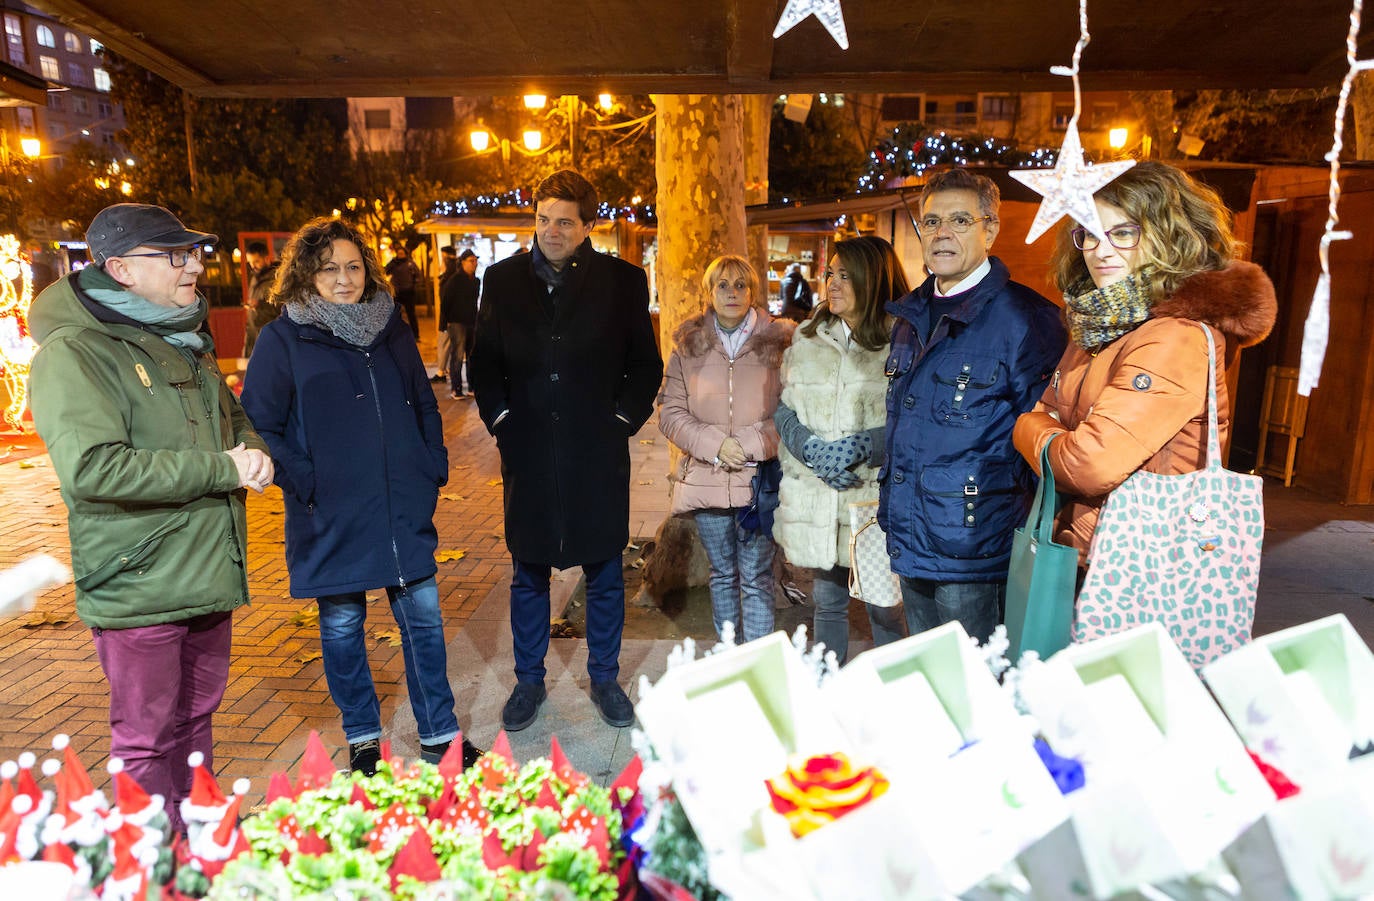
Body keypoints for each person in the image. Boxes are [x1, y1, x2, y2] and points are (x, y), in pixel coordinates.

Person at [27, 203, 273, 834]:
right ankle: (147, 858)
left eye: (192, 253)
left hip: (205, 566)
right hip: (137, 578)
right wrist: (226, 468)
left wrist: (255, 451)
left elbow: (230, 416)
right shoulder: (76, 351)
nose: (192, 265)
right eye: (173, 255)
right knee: (145, 737)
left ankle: (199, 841)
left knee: (195, 720)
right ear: (119, 269)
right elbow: (95, 470)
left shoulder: (179, 334)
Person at [240, 217, 480, 775]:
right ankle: (364, 738)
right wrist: (305, 480)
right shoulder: (284, 336)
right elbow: (260, 425)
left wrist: (431, 464)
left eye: (352, 267)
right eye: (329, 270)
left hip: (400, 504)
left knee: (422, 623)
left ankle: (441, 736)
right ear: (307, 273)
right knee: (343, 627)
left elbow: (424, 401)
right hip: (330, 510)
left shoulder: (390, 326)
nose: (344, 279)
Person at [469, 169, 663, 731]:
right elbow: (485, 363)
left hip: (595, 452)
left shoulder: (623, 282)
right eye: (542, 219)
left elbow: (643, 363)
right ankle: (528, 680)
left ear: (587, 226)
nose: (550, 231)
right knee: (528, 569)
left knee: (604, 569)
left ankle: (605, 677)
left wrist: (622, 420)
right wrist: (502, 419)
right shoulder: (501, 280)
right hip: (527, 449)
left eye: (564, 222)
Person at [1013, 161, 1277, 570]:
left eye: (1122, 233)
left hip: (1137, 565)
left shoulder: (1174, 336)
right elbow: (1052, 418)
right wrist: (1049, 428)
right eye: (1090, 234)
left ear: (1171, 236)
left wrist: (1026, 429)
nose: (1101, 250)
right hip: (1083, 549)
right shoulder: (1098, 326)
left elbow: (1087, 464)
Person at [880, 168, 1067, 644]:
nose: (942, 233)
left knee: (977, 688)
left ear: (991, 229)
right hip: (910, 536)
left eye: (960, 221)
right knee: (930, 679)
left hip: (975, 550)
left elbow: (1042, 435)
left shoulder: (1026, 320)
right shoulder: (908, 316)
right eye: (932, 221)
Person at [773, 237, 909, 664]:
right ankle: (827, 687)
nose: (831, 283)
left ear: (873, 279)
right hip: (818, 498)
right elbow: (784, 410)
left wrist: (861, 447)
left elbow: (913, 422)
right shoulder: (810, 334)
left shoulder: (901, 340)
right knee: (827, 604)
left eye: (845, 275)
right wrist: (813, 450)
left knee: (884, 607)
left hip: (871, 503)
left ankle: (893, 692)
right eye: (830, 273)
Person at [658, 255, 793, 643]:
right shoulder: (688, 344)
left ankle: (760, 664)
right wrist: (717, 446)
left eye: (740, 285)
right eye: (722, 285)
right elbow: (671, 412)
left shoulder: (781, 342)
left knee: (756, 577)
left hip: (759, 483)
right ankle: (731, 662)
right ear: (709, 292)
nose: (732, 293)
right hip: (707, 478)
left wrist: (749, 445)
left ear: (753, 290)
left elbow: (793, 410)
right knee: (722, 574)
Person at [438, 249, 480, 399]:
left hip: (471, 321)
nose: (474, 264)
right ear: (462, 262)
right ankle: (456, 388)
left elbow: (474, 302)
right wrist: (446, 322)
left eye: (475, 261)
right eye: (471, 261)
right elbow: (446, 302)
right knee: (457, 355)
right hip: (456, 322)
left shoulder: (476, 281)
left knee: (472, 355)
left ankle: (472, 386)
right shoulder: (455, 280)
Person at [243, 240, 280, 357]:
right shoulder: (255, 278)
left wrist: (259, 305)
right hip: (253, 336)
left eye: (256, 261)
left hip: (271, 339)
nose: (253, 266)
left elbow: (283, 309)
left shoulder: (278, 279)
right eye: (250, 262)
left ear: (267, 258)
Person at [433, 245, 459, 382]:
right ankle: (445, 369)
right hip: (451, 315)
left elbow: (446, 298)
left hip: (449, 315)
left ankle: (441, 371)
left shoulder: (450, 275)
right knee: (448, 343)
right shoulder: (453, 273)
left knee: (444, 342)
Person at [384, 244, 422, 339]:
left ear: (405, 254)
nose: (400, 255)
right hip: (397, 292)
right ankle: (395, 334)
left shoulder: (410, 263)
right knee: (395, 314)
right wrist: (393, 262)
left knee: (411, 314)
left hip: (408, 292)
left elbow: (418, 275)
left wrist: (414, 285)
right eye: (399, 253)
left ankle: (415, 335)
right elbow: (386, 271)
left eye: (402, 253)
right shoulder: (394, 263)